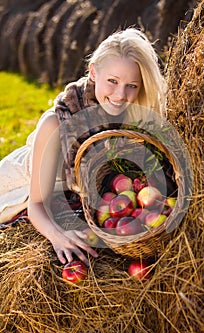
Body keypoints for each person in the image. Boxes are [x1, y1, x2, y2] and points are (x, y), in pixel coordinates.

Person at [0, 27, 167, 266]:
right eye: (112, 81)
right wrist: (58, 237)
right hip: (22, 188)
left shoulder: (131, 114)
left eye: (132, 85)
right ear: (93, 73)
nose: (120, 95)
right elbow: (37, 204)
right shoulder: (56, 123)